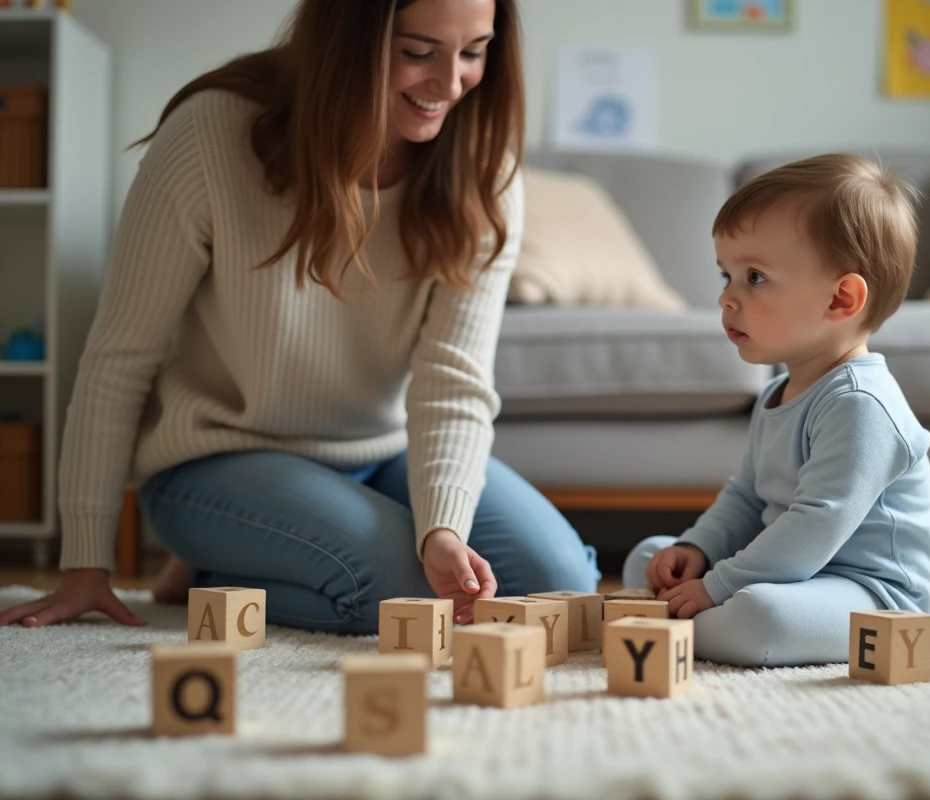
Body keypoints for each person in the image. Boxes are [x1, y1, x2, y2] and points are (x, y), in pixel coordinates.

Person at [0, 0, 598, 633]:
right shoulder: (210, 134)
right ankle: (214, 568)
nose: (449, 85)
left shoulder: (484, 169)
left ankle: (269, 559)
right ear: (348, 40)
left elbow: (454, 381)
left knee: (557, 584)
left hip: (383, 450)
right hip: (215, 459)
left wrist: (441, 528)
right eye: (418, 52)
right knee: (403, 594)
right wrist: (86, 563)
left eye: (474, 52)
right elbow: (119, 357)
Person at [622, 154, 930, 667]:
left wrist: (719, 584)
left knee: (761, 617)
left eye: (755, 278)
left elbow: (816, 525)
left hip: (873, 597)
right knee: (652, 558)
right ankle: (682, 616)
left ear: (840, 299)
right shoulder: (781, 391)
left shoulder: (861, 404)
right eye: (726, 275)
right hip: (795, 573)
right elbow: (746, 496)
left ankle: (673, 628)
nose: (727, 298)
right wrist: (698, 551)